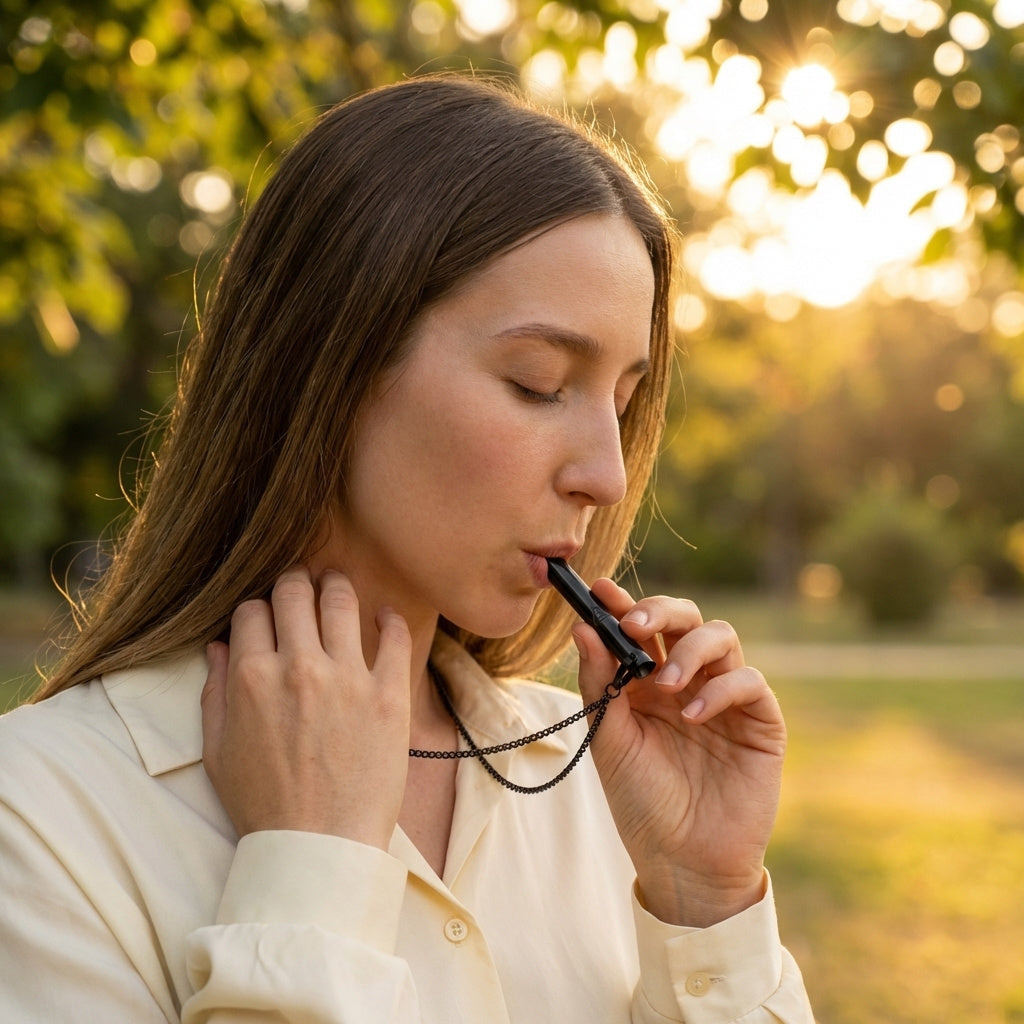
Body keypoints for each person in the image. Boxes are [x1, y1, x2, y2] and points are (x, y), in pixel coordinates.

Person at [0, 74, 814, 1022]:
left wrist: (703, 905)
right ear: (330, 365)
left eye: (623, 405)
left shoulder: (599, 789)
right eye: (539, 382)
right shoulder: (41, 817)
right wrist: (313, 877)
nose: (608, 473)